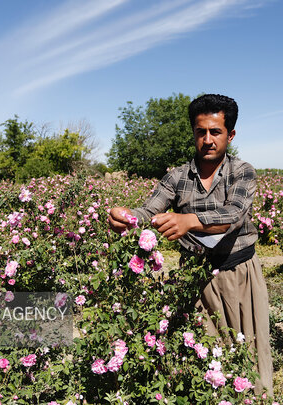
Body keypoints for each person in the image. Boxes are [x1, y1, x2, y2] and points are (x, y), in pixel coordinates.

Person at [108, 94, 273, 396]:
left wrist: (189, 220)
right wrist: (127, 217)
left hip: (240, 274)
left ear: (230, 135)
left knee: (248, 353)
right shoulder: (177, 177)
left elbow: (233, 214)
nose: (208, 139)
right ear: (194, 133)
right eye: (201, 132)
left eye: (216, 131)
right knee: (205, 359)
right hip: (196, 278)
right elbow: (149, 211)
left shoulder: (242, 171)